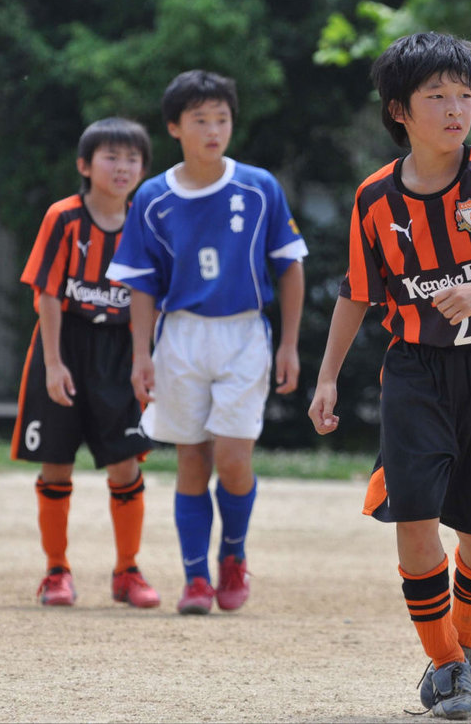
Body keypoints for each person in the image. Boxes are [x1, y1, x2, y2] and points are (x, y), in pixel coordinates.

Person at [307, 32, 471, 719]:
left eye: (465, 95)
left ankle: (464, 643)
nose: (456, 110)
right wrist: (328, 377)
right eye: (437, 97)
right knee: (414, 517)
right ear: (400, 111)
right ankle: (449, 666)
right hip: (414, 367)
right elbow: (357, 292)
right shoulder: (375, 200)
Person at [106, 70, 307, 615]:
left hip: (244, 333)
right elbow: (142, 286)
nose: (214, 129)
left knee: (234, 458)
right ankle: (195, 579)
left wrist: (289, 345)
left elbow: (289, 268)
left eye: (222, 118)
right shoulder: (152, 197)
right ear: (175, 127)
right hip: (182, 335)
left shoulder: (259, 187)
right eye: (200, 120)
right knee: (192, 460)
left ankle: (233, 558)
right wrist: (141, 355)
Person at [11, 117, 159, 608]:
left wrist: (143, 360)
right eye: (111, 157)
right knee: (55, 463)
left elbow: (148, 296)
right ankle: (55, 571)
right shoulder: (65, 217)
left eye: (132, 158)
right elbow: (48, 292)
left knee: (123, 465)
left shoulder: (146, 218)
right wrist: (53, 364)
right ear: (85, 165)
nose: (122, 167)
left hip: (119, 349)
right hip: (65, 343)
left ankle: (128, 571)